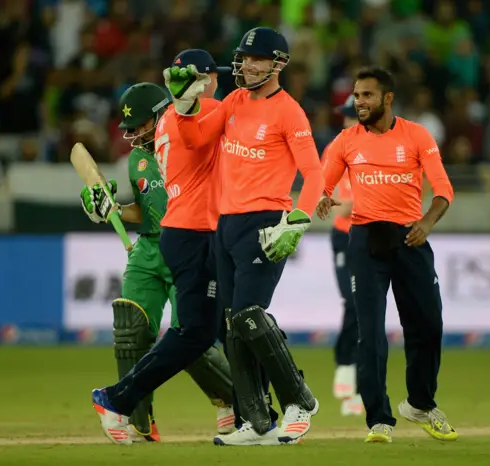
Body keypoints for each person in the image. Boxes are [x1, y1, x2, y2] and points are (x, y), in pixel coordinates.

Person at [163, 27, 324, 446]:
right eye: (244, 57)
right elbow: (196, 138)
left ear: (277, 64)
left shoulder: (289, 111)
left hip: (266, 222)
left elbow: (316, 174)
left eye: (257, 59)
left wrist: (298, 220)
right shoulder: (234, 100)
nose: (248, 65)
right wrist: (184, 105)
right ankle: (256, 421)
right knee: (233, 325)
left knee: (250, 314)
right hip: (226, 225)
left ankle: (299, 401)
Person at [85, 72, 234, 445]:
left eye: (140, 125)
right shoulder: (138, 157)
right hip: (149, 247)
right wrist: (110, 208)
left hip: (192, 241)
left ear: (163, 113)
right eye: (129, 127)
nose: (134, 134)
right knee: (130, 326)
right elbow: (144, 210)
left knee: (191, 338)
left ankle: (233, 401)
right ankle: (136, 421)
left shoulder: (193, 142)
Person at [317, 66, 458, 444]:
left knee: (428, 325)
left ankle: (420, 404)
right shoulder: (346, 141)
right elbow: (323, 182)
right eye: (356, 96)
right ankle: (379, 420)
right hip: (366, 240)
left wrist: (426, 224)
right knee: (371, 334)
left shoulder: (417, 135)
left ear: (387, 98)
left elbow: (444, 189)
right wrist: (324, 198)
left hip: (410, 237)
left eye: (366, 96)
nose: (358, 102)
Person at [322, 96, 363, 417]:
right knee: (354, 301)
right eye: (346, 117)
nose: (347, 123)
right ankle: (345, 365)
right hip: (344, 235)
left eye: (351, 117)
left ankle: (357, 381)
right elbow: (333, 195)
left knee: (365, 305)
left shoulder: (377, 150)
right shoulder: (336, 149)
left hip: (368, 234)